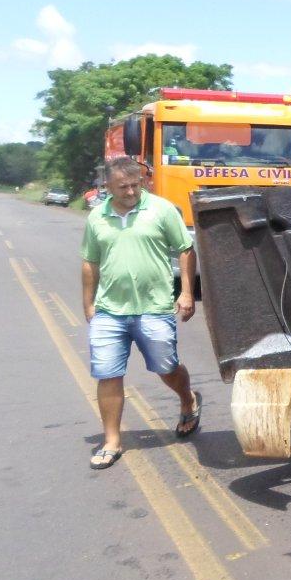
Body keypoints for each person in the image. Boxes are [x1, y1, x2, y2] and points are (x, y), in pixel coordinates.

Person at [80, 156, 200, 470]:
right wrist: (88, 304)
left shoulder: (161, 210)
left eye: (135, 185)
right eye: (123, 187)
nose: (131, 191)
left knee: (166, 368)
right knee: (107, 374)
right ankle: (111, 441)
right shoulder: (96, 218)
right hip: (110, 311)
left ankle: (187, 400)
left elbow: (186, 249)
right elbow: (90, 262)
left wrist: (186, 292)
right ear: (107, 186)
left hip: (154, 308)